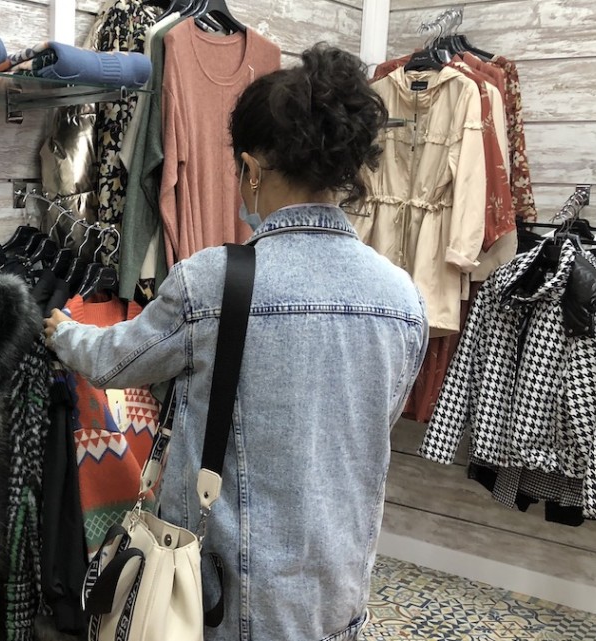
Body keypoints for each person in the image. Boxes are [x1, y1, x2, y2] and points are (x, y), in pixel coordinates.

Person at [44, 44, 427, 641]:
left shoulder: (212, 282)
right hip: (338, 593)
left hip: (223, 599)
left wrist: (66, 335)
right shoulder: (402, 297)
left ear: (251, 169)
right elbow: (372, 420)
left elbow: (120, 361)